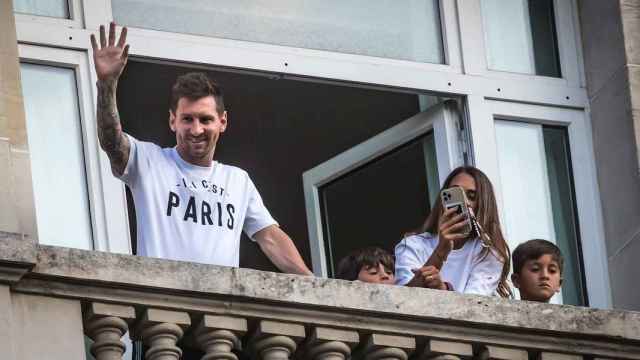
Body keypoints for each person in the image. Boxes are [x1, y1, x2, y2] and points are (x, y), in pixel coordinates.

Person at [90, 22, 312, 275]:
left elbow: (270, 237)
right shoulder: (148, 161)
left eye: (205, 119)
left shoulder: (237, 181)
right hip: (163, 303)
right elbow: (111, 141)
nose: (196, 129)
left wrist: (314, 284)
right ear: (173, 120)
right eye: (187, 119)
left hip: (219, 310)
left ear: (222, 122)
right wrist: (106, 85)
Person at [394, 166, 512, 297]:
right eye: (455, 194)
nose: (465, 202)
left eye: (472, 196)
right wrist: (440, 251)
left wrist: (443, 289)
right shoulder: (413, 245)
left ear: (483, 205)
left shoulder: (488, 252)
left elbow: (473, 305)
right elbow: (403, 299)